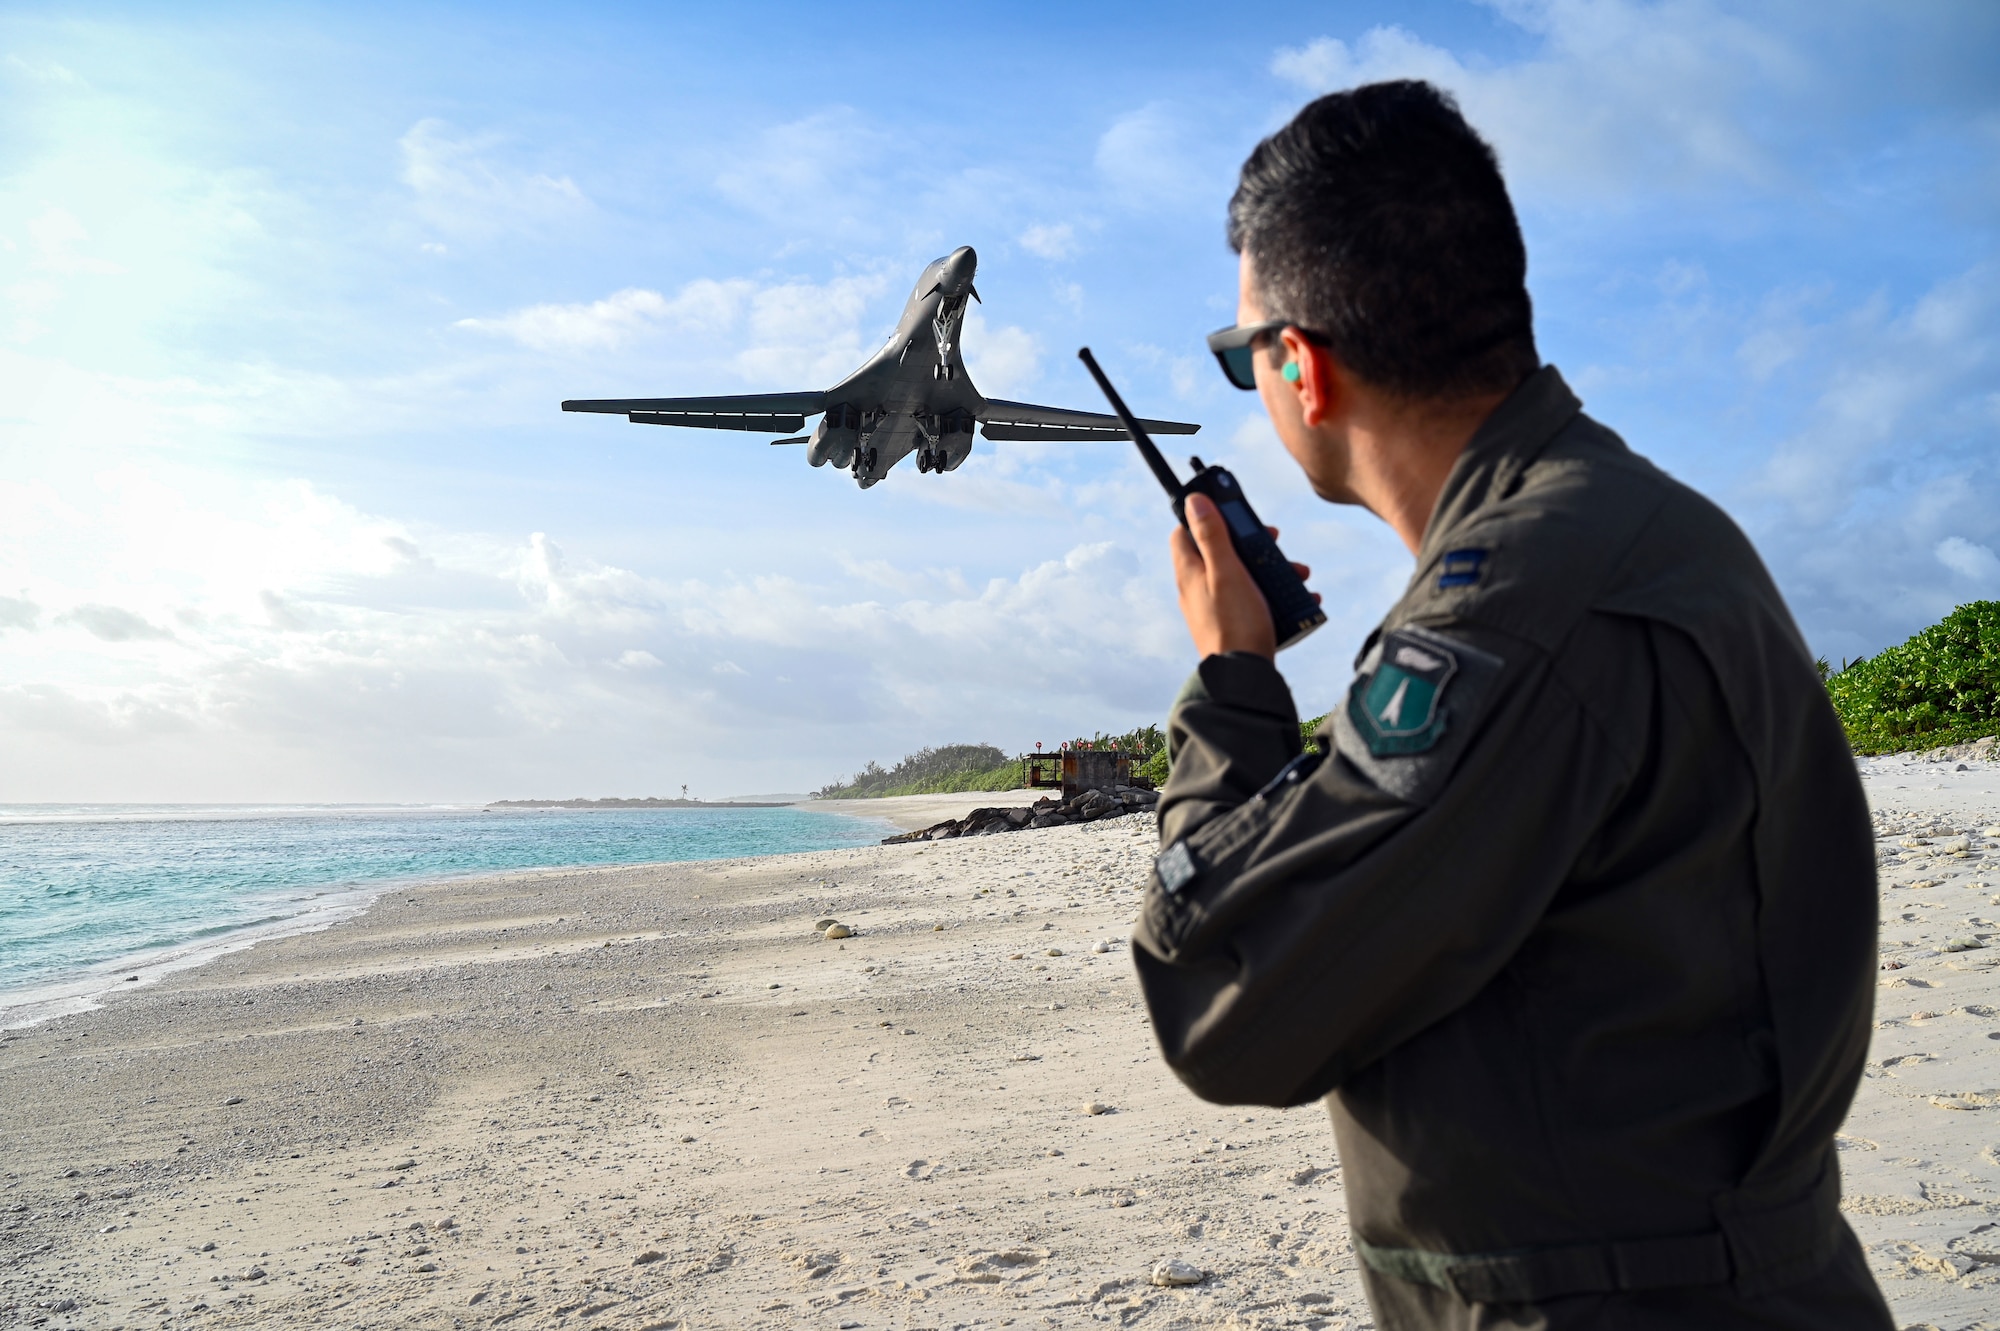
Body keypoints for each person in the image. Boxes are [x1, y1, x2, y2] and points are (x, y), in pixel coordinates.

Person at [1131, 80, 1893, 1330]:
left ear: (1301, 370)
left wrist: (1229, 682)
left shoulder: (1506, 613)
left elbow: (1222, 997)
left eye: (1239, 356)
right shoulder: (1644, 526)